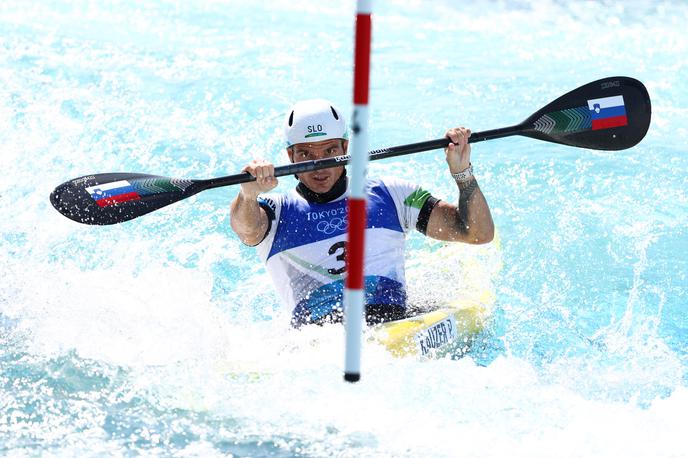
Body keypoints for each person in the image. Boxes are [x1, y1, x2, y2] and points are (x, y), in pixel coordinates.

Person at [230, 99, 494, 327]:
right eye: (306, 153)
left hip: (394, 327)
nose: (319, 166)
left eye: (330, 151)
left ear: (345, 148)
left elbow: (477, 233)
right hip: (317, 344)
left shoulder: (392, 194)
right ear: (290, 155)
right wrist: (248, 194)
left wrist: (462, 172)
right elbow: (247, 228)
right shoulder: (274, 213)